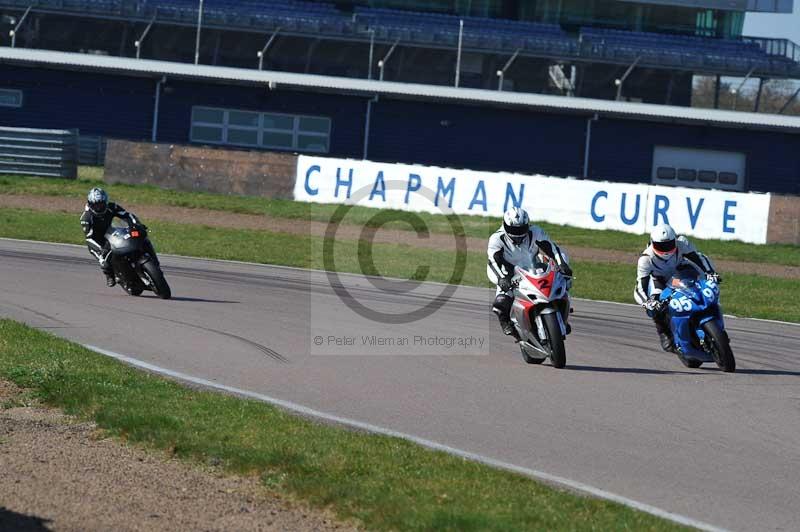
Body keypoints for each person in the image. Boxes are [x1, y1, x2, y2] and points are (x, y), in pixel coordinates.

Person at [487, 207, 572, 336]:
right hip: (509, 274)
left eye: (521, 229)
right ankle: (506, 323)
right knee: (501, 303)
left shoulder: (536, 232)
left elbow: (553, 248)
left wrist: (562, 265)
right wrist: (501, 279)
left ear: (527, 225)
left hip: (532, 267)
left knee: (563, 281)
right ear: (505, 226)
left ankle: (561, 318)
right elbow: (493, 261)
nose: (518, 233)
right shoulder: (496, 239)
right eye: (514, 230)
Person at [634, 223, 720, 352]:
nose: (665, 249)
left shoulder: (682, 243)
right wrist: (647, 302)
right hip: (660, 281)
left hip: (680, 275)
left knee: (703, 287)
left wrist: (710, 273)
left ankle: (709, 315)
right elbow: (640, 287)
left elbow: (699, 258)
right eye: (661, 246)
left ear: (675, 240)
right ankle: (665, 333)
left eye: (669, 244)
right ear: (652, 243)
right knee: (655, 307)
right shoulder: (645, 259)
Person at [79, 187, 142, 287]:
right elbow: (89, 238)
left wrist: (135, 224)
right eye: (96, 205)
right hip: (97, 242)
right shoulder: (86, 218)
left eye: (101, 204)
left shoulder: (112, 207)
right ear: (90, 204)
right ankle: (110, 276)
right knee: (104, 261)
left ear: (106, 202)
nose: (99, 207)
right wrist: (101, 249)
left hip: (111, 234)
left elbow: (127, 215)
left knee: (139, 238)